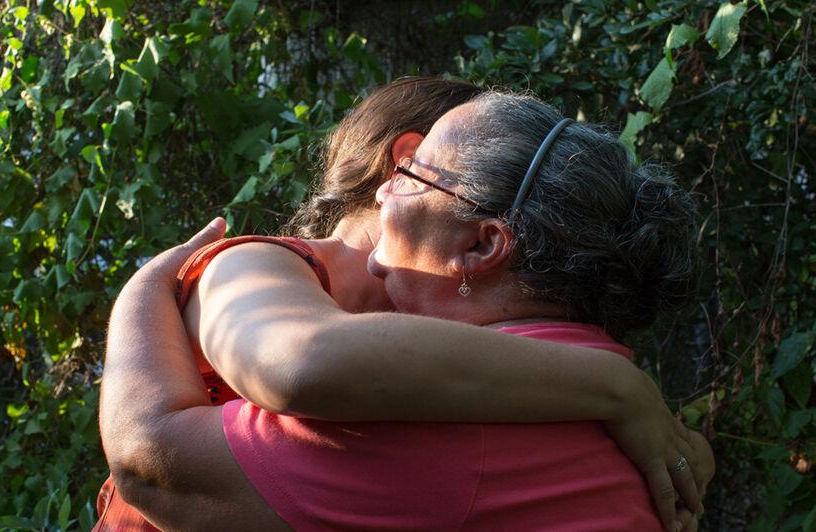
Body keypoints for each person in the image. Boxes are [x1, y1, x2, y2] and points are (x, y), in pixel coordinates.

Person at [99, 81, 713, 530]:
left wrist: (143, 289)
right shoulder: (611, 393)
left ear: (480, 244)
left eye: (415, 173)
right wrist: (620, 384)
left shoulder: (436, 419)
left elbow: (155, 466)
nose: (388, 186)